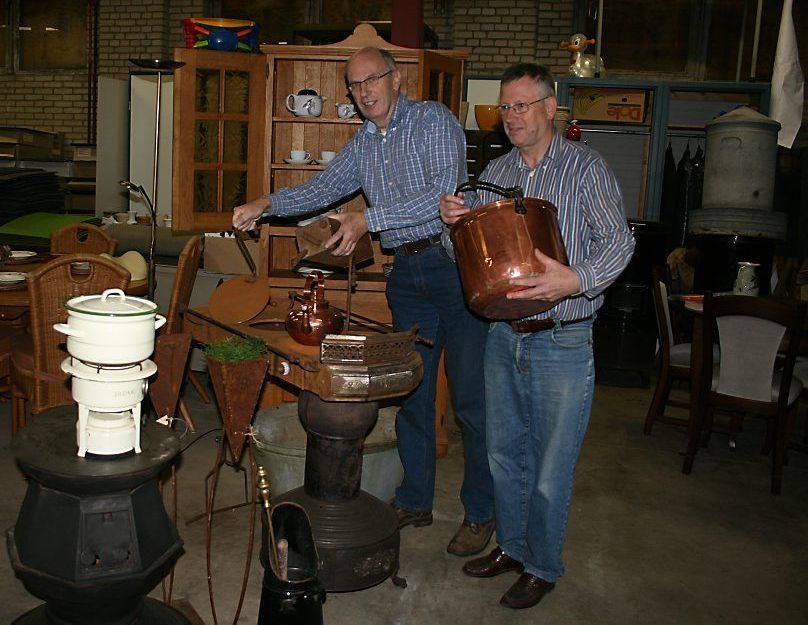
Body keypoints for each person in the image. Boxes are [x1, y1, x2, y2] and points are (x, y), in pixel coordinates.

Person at [233, 47, 496, 558]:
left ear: (396, 80)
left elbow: (443, 198)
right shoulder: (362, 144)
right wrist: (265, 204)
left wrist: (366, 220)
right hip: (407, 275)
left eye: (373, 79)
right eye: (355, 86)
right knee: (412, 395)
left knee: (471, 402)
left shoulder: (433, 122)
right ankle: (416, 500)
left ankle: (481, 513)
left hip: (452, 272)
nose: (365, 91)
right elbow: (324, 187)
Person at [439, 63, 634, 609]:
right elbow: (468, 259)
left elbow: (619, 243)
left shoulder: (585, 169)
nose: (513, 117)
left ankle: (543, 565)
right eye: (506, 107)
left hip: (564, 339)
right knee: (504, 455)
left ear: (551, 108)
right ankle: (514, 547)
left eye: (524, 105)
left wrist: (577, 278)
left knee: (550, 466)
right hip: (505, 336)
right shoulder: (497, 173)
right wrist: (452, 222)